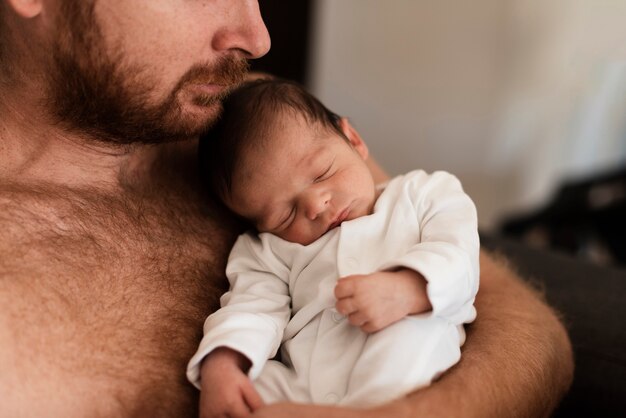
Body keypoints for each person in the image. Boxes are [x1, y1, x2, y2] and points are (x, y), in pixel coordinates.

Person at [0, 1, 573, 417]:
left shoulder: (247, 117)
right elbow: (255, 299)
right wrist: (225, 365)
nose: (257, 35)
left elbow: (525, 326)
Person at [187, 78, 481, 414]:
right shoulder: (266, 250)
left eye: (322, 173)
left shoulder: (424, 195)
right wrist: (223, 365)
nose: (315, 206)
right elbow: (251, 308)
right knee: (250, 390)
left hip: (398, 351)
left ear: (354, 140)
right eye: (285, 214)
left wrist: (408, 289)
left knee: (415, 339)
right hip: (305, 378)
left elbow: (458, 256)